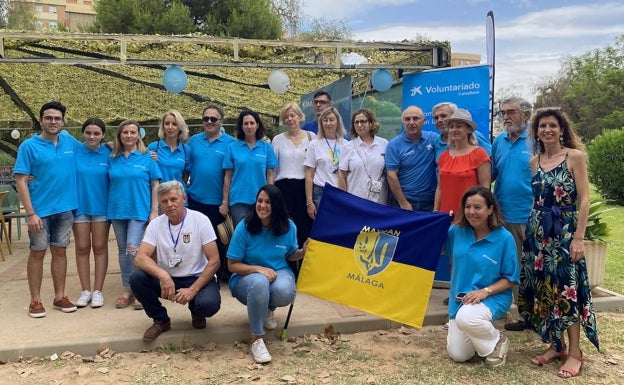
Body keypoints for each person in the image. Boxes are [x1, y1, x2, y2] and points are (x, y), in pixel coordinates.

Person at [518, 108, 599, 378]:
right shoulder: (534, 161)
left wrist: (578, 237)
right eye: (542, 126)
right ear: (537, 131)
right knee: (545, 290)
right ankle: (557, 345)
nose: (547, 130)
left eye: (553, 125)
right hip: (538, 234)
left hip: (564, 233)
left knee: (568, 290)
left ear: (562, 129)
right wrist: (531, 236)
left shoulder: (574, 157)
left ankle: (575, 352)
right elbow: (535, 199)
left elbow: (584, 200)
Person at [130, 181, 221, 341]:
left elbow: (214, 261)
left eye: (174, 199)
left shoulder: (201, 220)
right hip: (168, 280)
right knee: (137, 278)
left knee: (209, 305)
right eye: (164, 201)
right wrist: (163, 276)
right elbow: (140, 258)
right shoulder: (155, 225)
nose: (169, 205)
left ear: (184, 199)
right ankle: (161, 320)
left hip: (196, 277)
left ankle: (196, 310)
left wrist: (192, 290)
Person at [14, 101, 79, 317]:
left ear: (63, 121)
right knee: (38, 253)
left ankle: (60, 296)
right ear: (41, 120)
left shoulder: (69, 141)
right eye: (48, 118)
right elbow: (21, 181)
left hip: (65, 209)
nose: (53, 122)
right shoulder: (28, 146)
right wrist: (30, 213)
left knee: (60, 252)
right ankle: (35, 301)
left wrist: (117, 146)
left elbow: (92, 147)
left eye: (57, 118)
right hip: (39, 212)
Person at [227, 184, 303, 364]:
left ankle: (267, 309)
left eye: (268, 202)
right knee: (260, 282)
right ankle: (257, 338)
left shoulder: (289, 226)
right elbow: (231, 265)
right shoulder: (244, 226)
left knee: (285, 291)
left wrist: (303, 252)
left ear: (276, 205)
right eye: (259, 201)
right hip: (245, 277)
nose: (262, 205)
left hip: (278, 271)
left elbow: (291, 254)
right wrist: (258, 269)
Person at [445, 186, 519, 367]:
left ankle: (497, 340)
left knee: (467, 318)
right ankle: (480, 333)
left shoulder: (504, 238)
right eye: (468, 207)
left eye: (478, 207)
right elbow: (433, 246)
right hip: (461, 300)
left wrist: (485, 291)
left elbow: (511, 278)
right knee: (459, 354)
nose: (471, 212)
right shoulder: (455, 232)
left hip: (492, 297)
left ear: (490, 209)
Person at [490, 96, 535, 332]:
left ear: (526, 115)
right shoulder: (499, 142)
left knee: (528, 266)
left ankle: (530, 314)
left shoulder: (537, 140)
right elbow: (491, 175)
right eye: (503, 113)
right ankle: (513, 310)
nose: (506, 117)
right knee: (508, 265)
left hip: (529, 216)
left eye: (511, 112)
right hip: (501, 216)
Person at [108, 120, 162, 310]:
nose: (129, 136)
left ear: (139, 135)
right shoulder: (112, 157)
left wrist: (154, 211)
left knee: (133, 248)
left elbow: (156, 185)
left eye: (133, 132)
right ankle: (127, 289)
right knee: (123, 251)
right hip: (116, 210)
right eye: (125, 132)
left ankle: (140, 288)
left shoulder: (148, 157)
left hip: (139, 210)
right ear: (119, 135)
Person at [186, 105, 235, 282]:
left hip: (218, 203)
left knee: (220, 240)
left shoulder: (231, 143)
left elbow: (231, 174)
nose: (209, 122)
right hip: (195, 200)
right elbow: (185, 168)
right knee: (196, 241)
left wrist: (225, 201)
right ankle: (199, 274)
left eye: (213, 119)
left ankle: (221, 274)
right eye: (205, 118)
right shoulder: (193, 141)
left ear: (221, 121)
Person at [272, 102, 315, 275]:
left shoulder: (311, 137)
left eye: (293, 115)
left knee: (305, 228)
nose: (290, 119)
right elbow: (273, 169)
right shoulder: (278, 140)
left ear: (300, 116)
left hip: (304, 187)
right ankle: (288, 270)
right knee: (286, 228)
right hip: (284, 188)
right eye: (286, 117)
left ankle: (304, 271)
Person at [73, 118, 111, 308]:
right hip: (79, 208)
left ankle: (97, 291)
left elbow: (133, 152)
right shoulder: (74, 150)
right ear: (83, 133)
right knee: (81, 247)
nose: (92, 136)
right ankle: (85, 290)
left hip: (101, 208)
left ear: (103, 135)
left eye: (96, 133)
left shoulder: (111, 153)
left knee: (99, 247)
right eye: (88, 132)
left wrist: (151, 155)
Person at [223, 110, 277, 227]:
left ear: (257, 125)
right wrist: (225, 202)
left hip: (261, 200)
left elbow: (270, 174)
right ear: (241, 127)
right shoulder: (232, 147)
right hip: (238, 200)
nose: (249, 126)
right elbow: (227, 177)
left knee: (261, 234)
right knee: (242, 234)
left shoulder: (266, 148)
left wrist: (271, 197)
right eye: (245, 123)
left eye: (252, 123)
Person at [434, 108, 491, 214]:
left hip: (469, 214)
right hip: (445, 213)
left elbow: (485, 189)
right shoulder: (444, 156)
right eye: (451, 127)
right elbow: (440, 188)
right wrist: (436, 210)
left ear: (469, 129)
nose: (454, 129)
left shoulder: (479, 154)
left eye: (459, 126)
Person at [385, 105, 438, 212]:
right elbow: (391, 175)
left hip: (430, 201)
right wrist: (403, 202)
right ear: (403, 122)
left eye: (416, 118)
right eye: (407, 119)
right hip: (404, 201)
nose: (411, 122)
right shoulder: (394, 145)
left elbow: (452, 139)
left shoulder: (434, 139)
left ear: (424, 121)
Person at [304, 107, 348, 220]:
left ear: (338, 121)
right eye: (325, 120)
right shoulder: (314, 144)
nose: (328, 123)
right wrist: (309, 202)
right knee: (323, 227)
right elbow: (309, 175)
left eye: (331, 119)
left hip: (341, 191)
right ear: (321, 123)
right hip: (321, 192)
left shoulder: (346, 144)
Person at [338, 108, 388, 204]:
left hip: (378, 201)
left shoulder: (384, 144)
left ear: (371, 123)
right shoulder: (348, 147)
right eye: (356, 122)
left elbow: (389, 173)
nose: (359, 125)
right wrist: (344, 200)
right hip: (355, 201)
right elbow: (341, 175)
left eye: (363, 121)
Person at [147, 109, 191, 189]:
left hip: (178, 198)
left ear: (180, 127)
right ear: (163, 126)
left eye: (174, 124)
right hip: (158, 197)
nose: (170, 127)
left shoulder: (186, 150)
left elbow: (186, 175)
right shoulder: (153, 147)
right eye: (167, 124)